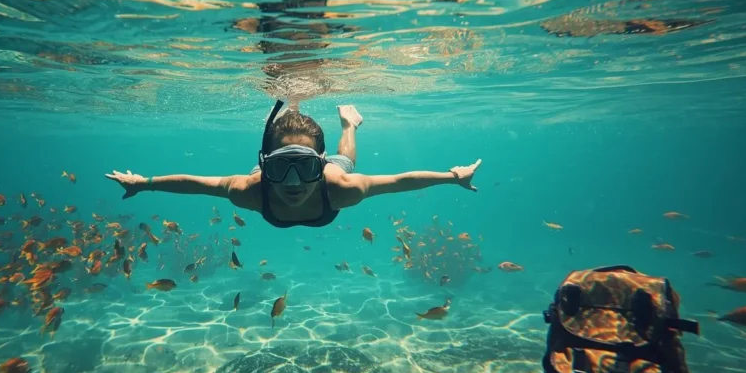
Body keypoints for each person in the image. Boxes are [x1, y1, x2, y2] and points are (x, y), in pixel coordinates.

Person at [105, 100, 482, 228]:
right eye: (280, 166)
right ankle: (290, 117)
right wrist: (145, 183)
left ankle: (349, 122)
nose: (292, 181)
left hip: (330, 172)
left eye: (304, 166)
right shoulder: (250, 190)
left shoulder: (339, 186)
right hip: (271, 177)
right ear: (264, 164)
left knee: (346, 159)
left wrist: (452, 177)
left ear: (318, 164)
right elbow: (195, 183)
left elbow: (401, 180)